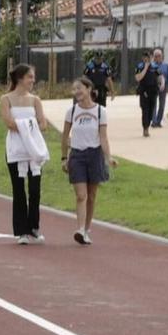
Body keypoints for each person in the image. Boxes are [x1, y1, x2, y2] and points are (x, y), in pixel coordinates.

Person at [59, 77, 116, 245]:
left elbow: (104, 138)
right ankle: (80, 229)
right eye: (74, 89)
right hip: (77, 155)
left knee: (91, 196)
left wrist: (108, 157)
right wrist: (64, 157)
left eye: (79, 88)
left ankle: (86, 229)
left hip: (94, 154)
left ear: (89, 88)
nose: (76, 92)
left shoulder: (100, 112)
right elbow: (64, 136)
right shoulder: (71, 112)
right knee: (81, 195)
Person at [0, 63, 50, 243]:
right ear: (20, 78)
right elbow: (9, 123)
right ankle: (22, 231)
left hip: (33, 150)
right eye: (30, 77)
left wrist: (29, 125)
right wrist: (29, 124)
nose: (32, 80)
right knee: (19, 189)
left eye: (33, 77)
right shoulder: (6, 99)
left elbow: (43, 124)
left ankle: (34, 227)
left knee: (35, 190)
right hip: (15, 149)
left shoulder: (35, 100)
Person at [134, 49, 165, 136]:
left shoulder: (155, 67)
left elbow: (160, 76)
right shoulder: (139, 67)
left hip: (153, 91)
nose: (146, 59)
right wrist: (146, 67)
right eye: (145, 57)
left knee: (151, 111)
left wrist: (162, 84)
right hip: (144, 91)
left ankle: (148, 124)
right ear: (142, 58)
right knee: (145, 110)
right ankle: (145, 128)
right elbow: (138, 78)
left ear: (151, 57)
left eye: (148, 57)